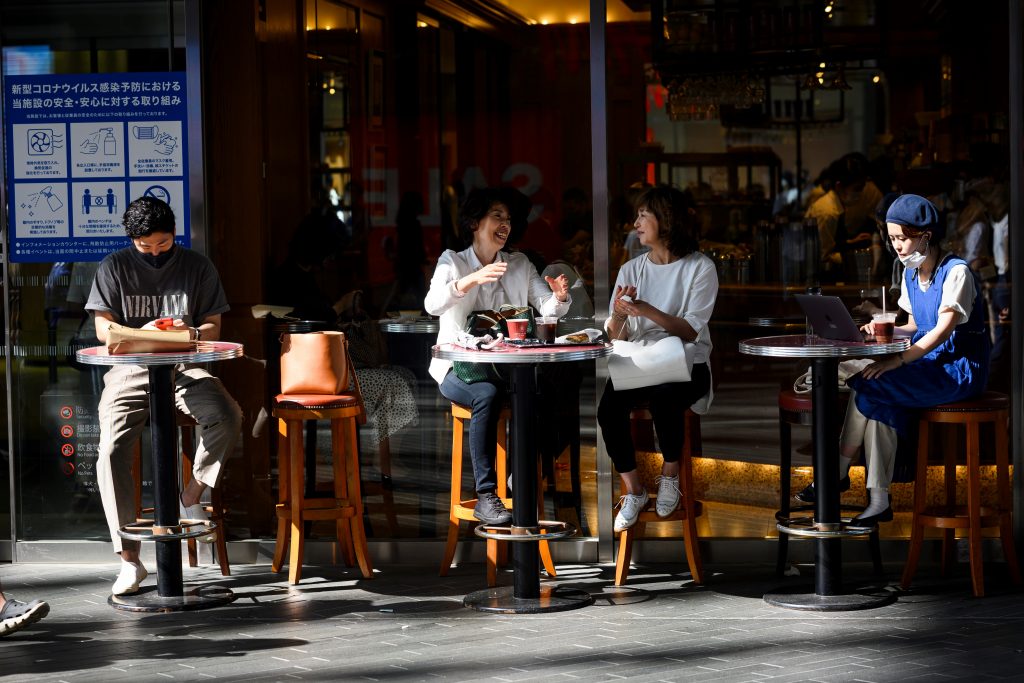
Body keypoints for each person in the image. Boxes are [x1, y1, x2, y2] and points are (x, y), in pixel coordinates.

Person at [797, 194, 990, 525]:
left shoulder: (957, 273)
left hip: (957, 371)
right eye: (893, 238)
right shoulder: (911, 274)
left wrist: (898, 360)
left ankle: (837, 473)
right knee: (875, 391)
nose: (897, 246)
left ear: (925, 235)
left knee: (870, 384)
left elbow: (942, 331)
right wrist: (886, 326)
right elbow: (916, 325)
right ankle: (878, 500)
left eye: (903, 237)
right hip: (927, 365)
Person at [87, 196, 243, 596]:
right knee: (110, 452)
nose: (156, 253)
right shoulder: (114, 267)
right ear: (132, 240)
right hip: (130, 370)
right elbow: (104, 330)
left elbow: (212, 324)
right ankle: (129, 561)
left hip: (185, 366)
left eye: (163, 244)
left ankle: (192, 492)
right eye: (146, 247)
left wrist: (186, 333)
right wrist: (145, 331)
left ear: (175, 234)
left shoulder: (197, 265)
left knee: (226, 413)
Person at [424, 187, 571, 524]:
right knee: (485, 395)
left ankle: (519, 472)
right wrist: (470, 280)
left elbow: (546, 305)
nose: (505, 223)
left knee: (554, 390)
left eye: (509, 218)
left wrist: (560, 298)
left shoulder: (519, 263)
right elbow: (432, 305)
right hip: (459, 369)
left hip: (508, 369)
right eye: (498, 216)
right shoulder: (453, 261)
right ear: (475, 222)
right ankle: (487, 495)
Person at [598, 185, 718, 531]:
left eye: (642, 215)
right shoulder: (631, 269)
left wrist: (645, 309)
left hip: (688, 365)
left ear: (665, 220)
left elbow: (692, 330)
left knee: (666, 402)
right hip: (642, 364)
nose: (635, 222)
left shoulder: (700, 268)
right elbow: (615, 334)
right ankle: (634, 490)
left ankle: (670, 476)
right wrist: (621, 315)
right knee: (608, 408)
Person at [805, 154, 874, 278]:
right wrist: (854, 255)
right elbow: (823, 257)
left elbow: (831, 243)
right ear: (839, 186)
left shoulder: (836, 205)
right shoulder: (828, 212)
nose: (860, 193)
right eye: (857, 189)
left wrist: (851, 243)